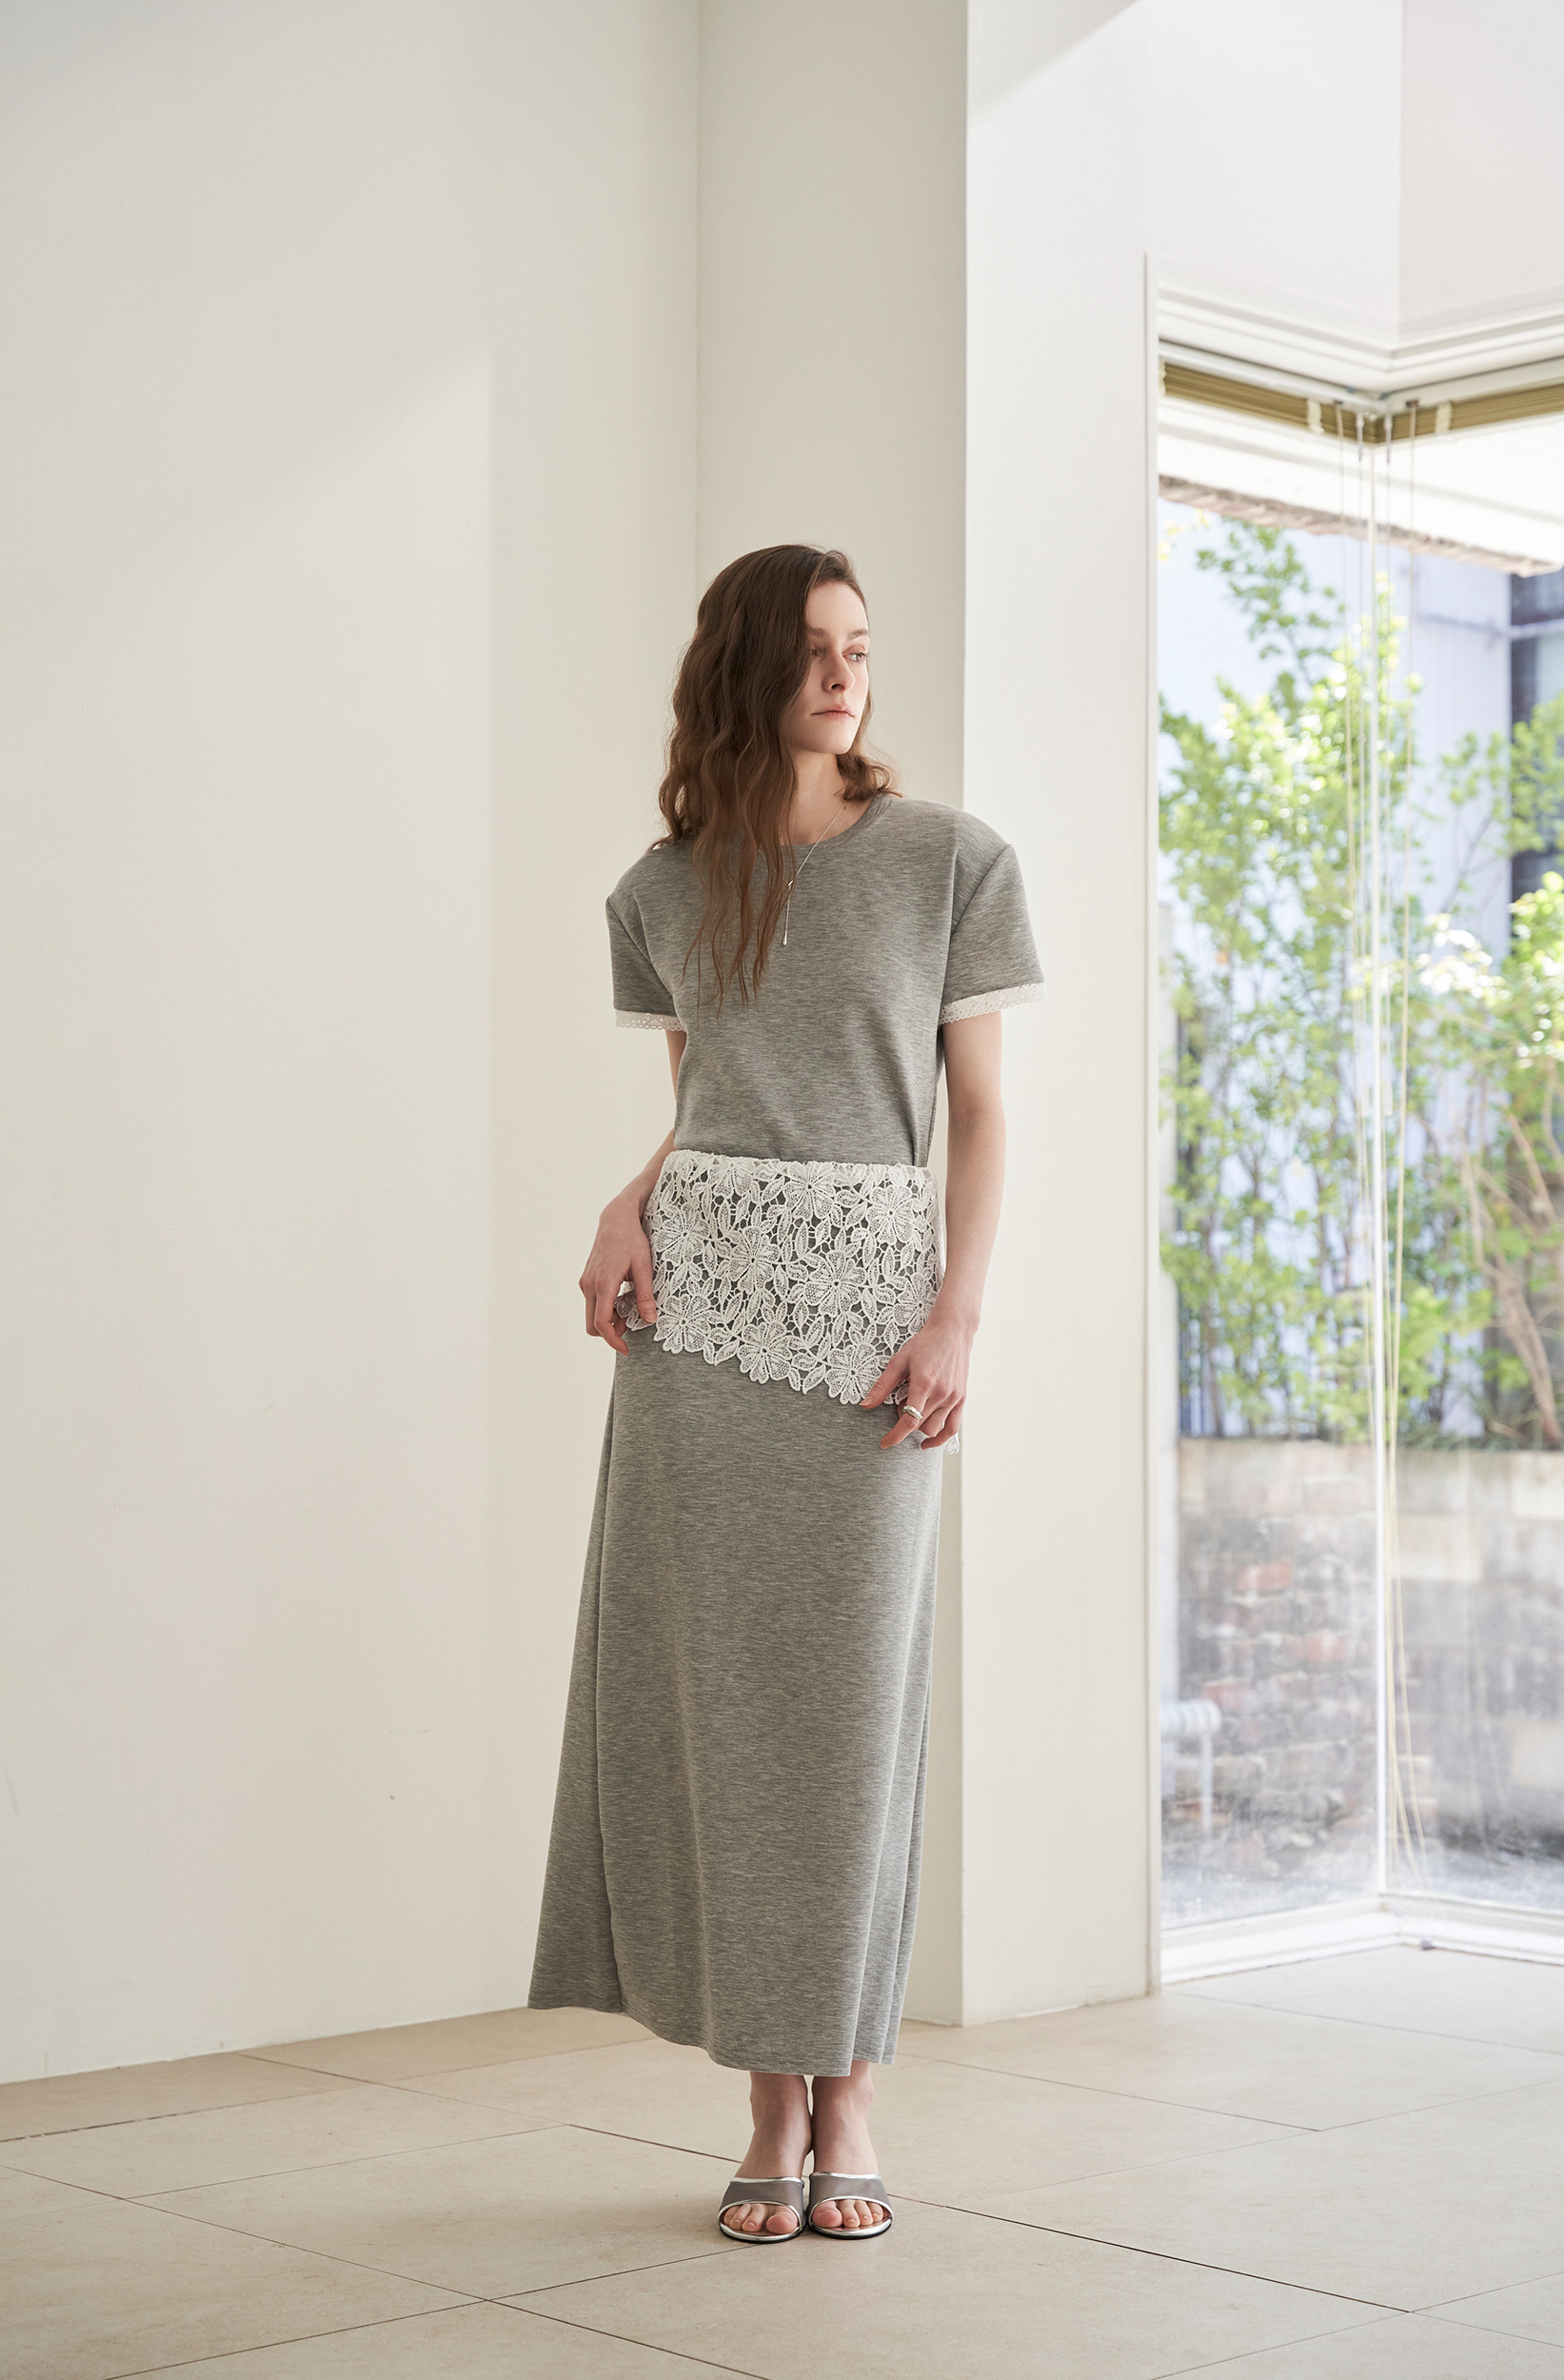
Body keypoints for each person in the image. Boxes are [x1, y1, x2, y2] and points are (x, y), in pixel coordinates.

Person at [528, 544, 1043, 2243]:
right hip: (698, 1330)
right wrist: (627, 1201)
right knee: (721, 1709)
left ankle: (854, 2092)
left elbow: (979, 1113)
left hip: (880, 1332)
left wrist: (959, 1316)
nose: (844, 676)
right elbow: (712, 1106)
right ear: (743, 668)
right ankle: (768, 2105)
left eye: (861, 649)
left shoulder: (950, 860)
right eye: (815, 649)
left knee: (847, 1715)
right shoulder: (663, 889)